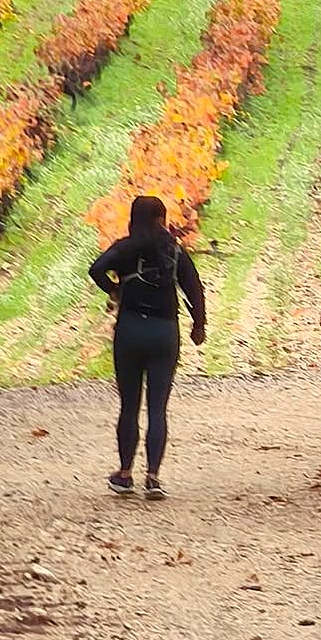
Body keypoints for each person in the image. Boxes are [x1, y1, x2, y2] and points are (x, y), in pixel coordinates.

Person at [90, 194, 206, 500]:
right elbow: (195, 288)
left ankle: (125, 473)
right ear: (162, 219)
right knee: (158, 408)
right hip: (165, 332)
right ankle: (153, 477)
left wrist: (114, 289)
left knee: (129, 406)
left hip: (130, 329)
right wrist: (199, 325)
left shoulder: (125, 248)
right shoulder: (174, 252)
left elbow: (96, 269)